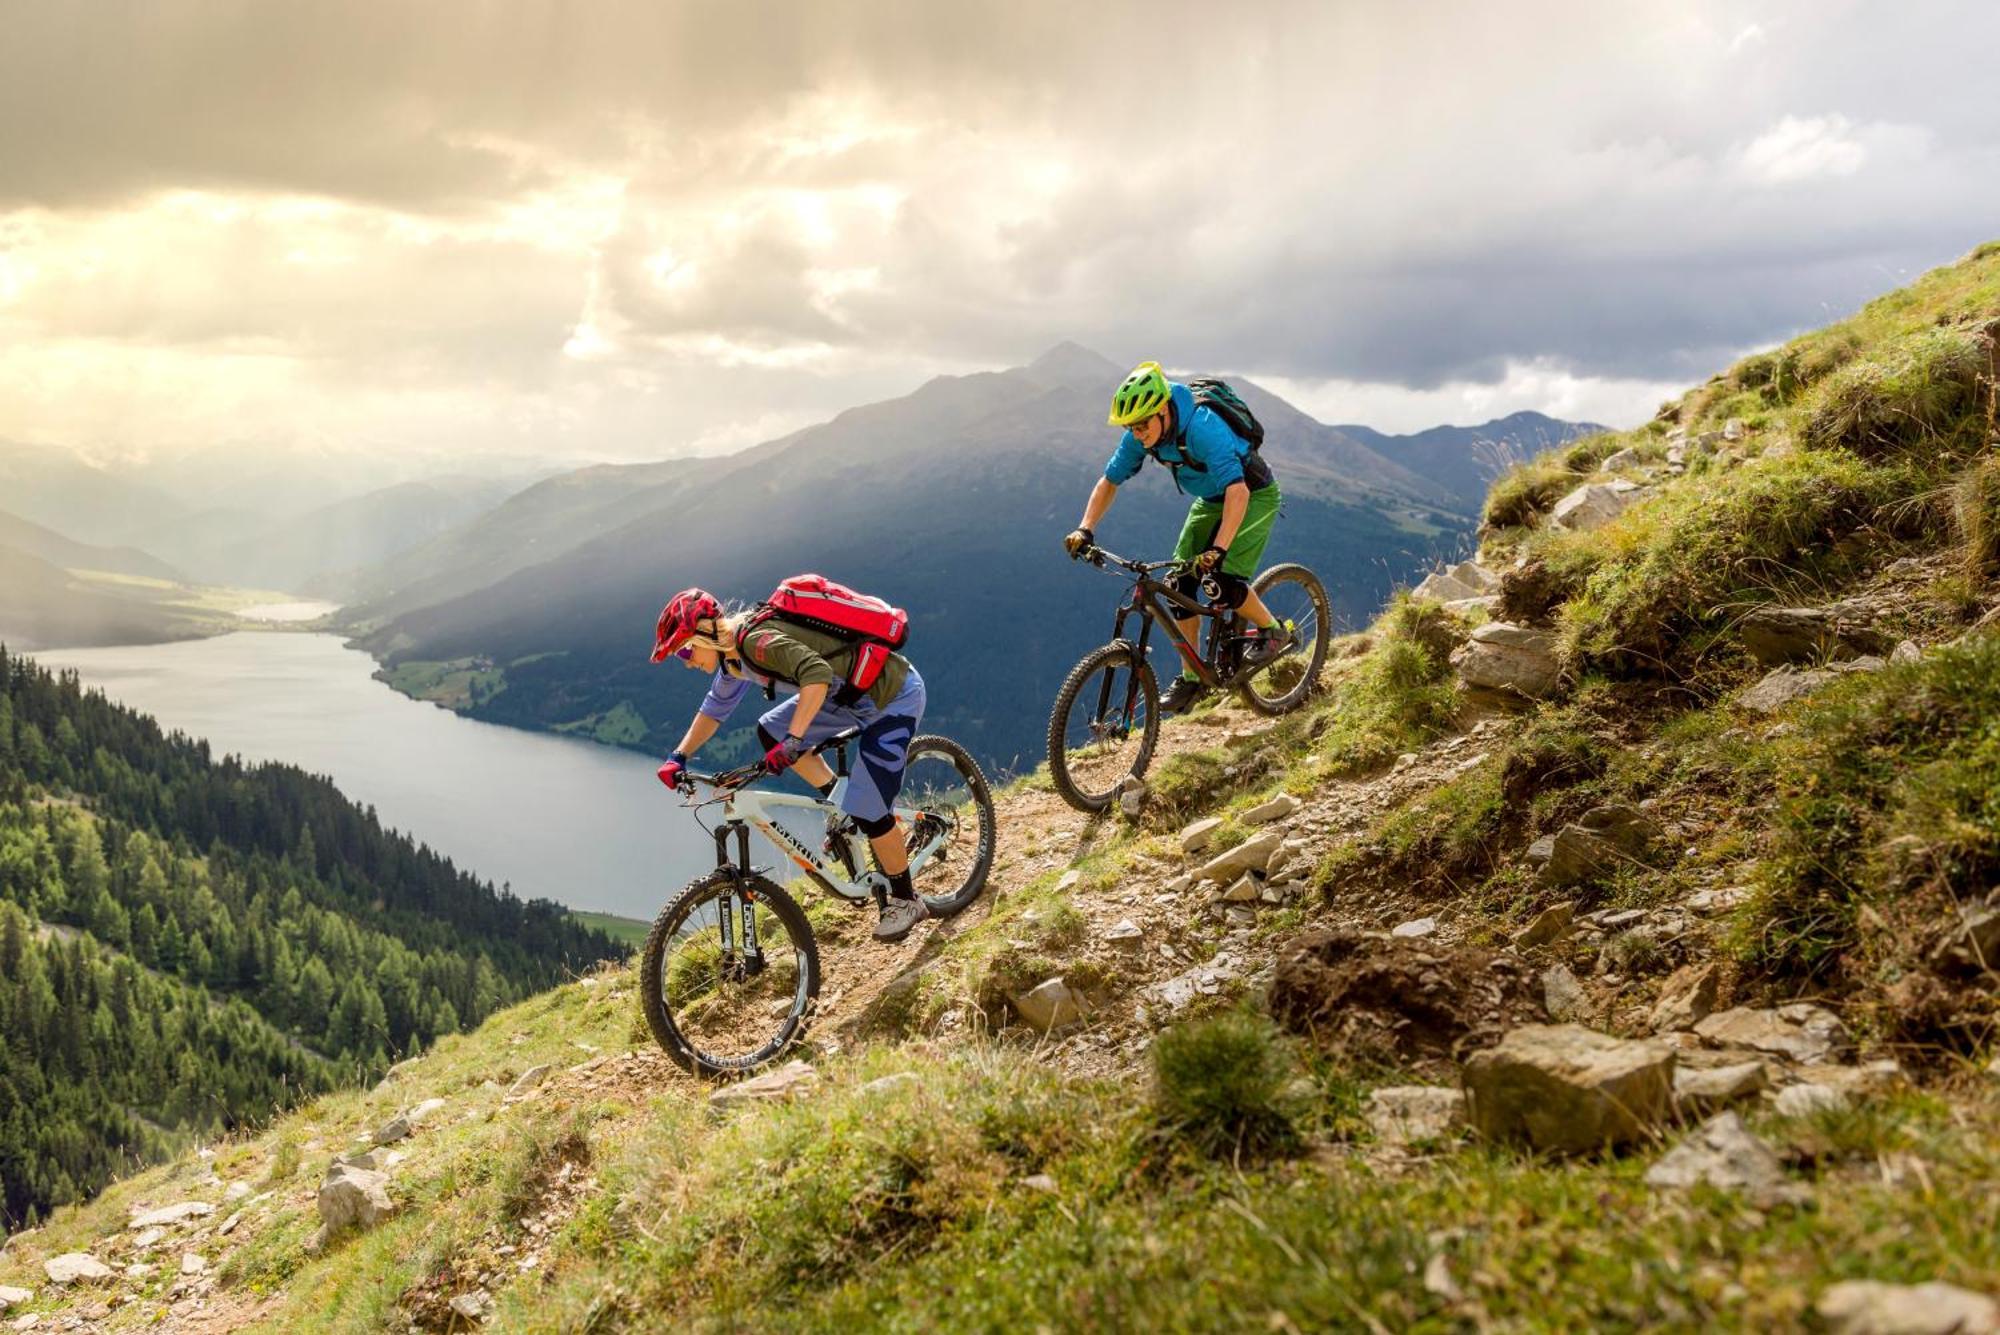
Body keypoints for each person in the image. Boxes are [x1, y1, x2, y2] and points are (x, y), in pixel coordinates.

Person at [649, 589, 930, 942]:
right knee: (771, 730)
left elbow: (815, 674)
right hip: (844, 698)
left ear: (707, 630)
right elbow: (714, 709)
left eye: (686, 650)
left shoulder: (756, 642)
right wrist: (679, 756)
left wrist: (795, 740)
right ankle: (839, 802)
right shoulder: (733, 661)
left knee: (870, 809)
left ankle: (906, 899)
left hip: (891, 698)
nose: (687, 661)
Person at [1064, 360, 1289, 711]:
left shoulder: (1203, 427)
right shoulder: (1142, 437)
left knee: (1221, 580)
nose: (1138, 434)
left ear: (1163, 411)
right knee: (1178, 585)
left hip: (1252, 494)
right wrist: (1085, 527)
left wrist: (1218, 549)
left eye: (1142, 425)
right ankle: (1193, 678)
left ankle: (1272, 630)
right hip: (1211, 498)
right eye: (1130, 427)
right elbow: (1109, 481)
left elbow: (1238, 491)